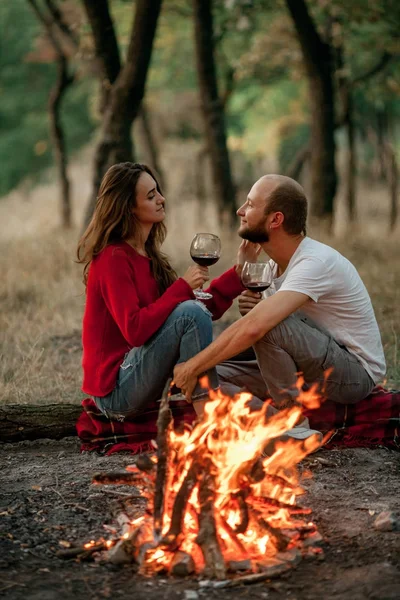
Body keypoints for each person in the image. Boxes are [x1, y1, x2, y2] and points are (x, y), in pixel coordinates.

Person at [174, 174, 386, 417]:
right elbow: (274, 334)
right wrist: (197, 368)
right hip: (307, 367)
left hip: (352, 375)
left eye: (251, 204)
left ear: (276, 219)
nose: (240, 211)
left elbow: (259, 327)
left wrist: (191, 366)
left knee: (264, 326)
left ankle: (291, 420)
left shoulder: (315, 262)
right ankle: (269, 419)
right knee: (209, 377)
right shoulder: (274, 267)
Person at [77, 161, 259, 421]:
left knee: (192, 315)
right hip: (116, 390)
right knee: (189, 314)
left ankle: (208, 413)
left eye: (158, 191)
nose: (162, 199)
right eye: (151, 196)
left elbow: (195, 315)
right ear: (128, 206)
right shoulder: (113, 257)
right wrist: (182, 288)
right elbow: (135, 329)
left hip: (141, 375)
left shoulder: (147, 255)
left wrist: (239, 274)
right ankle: (208, 423)